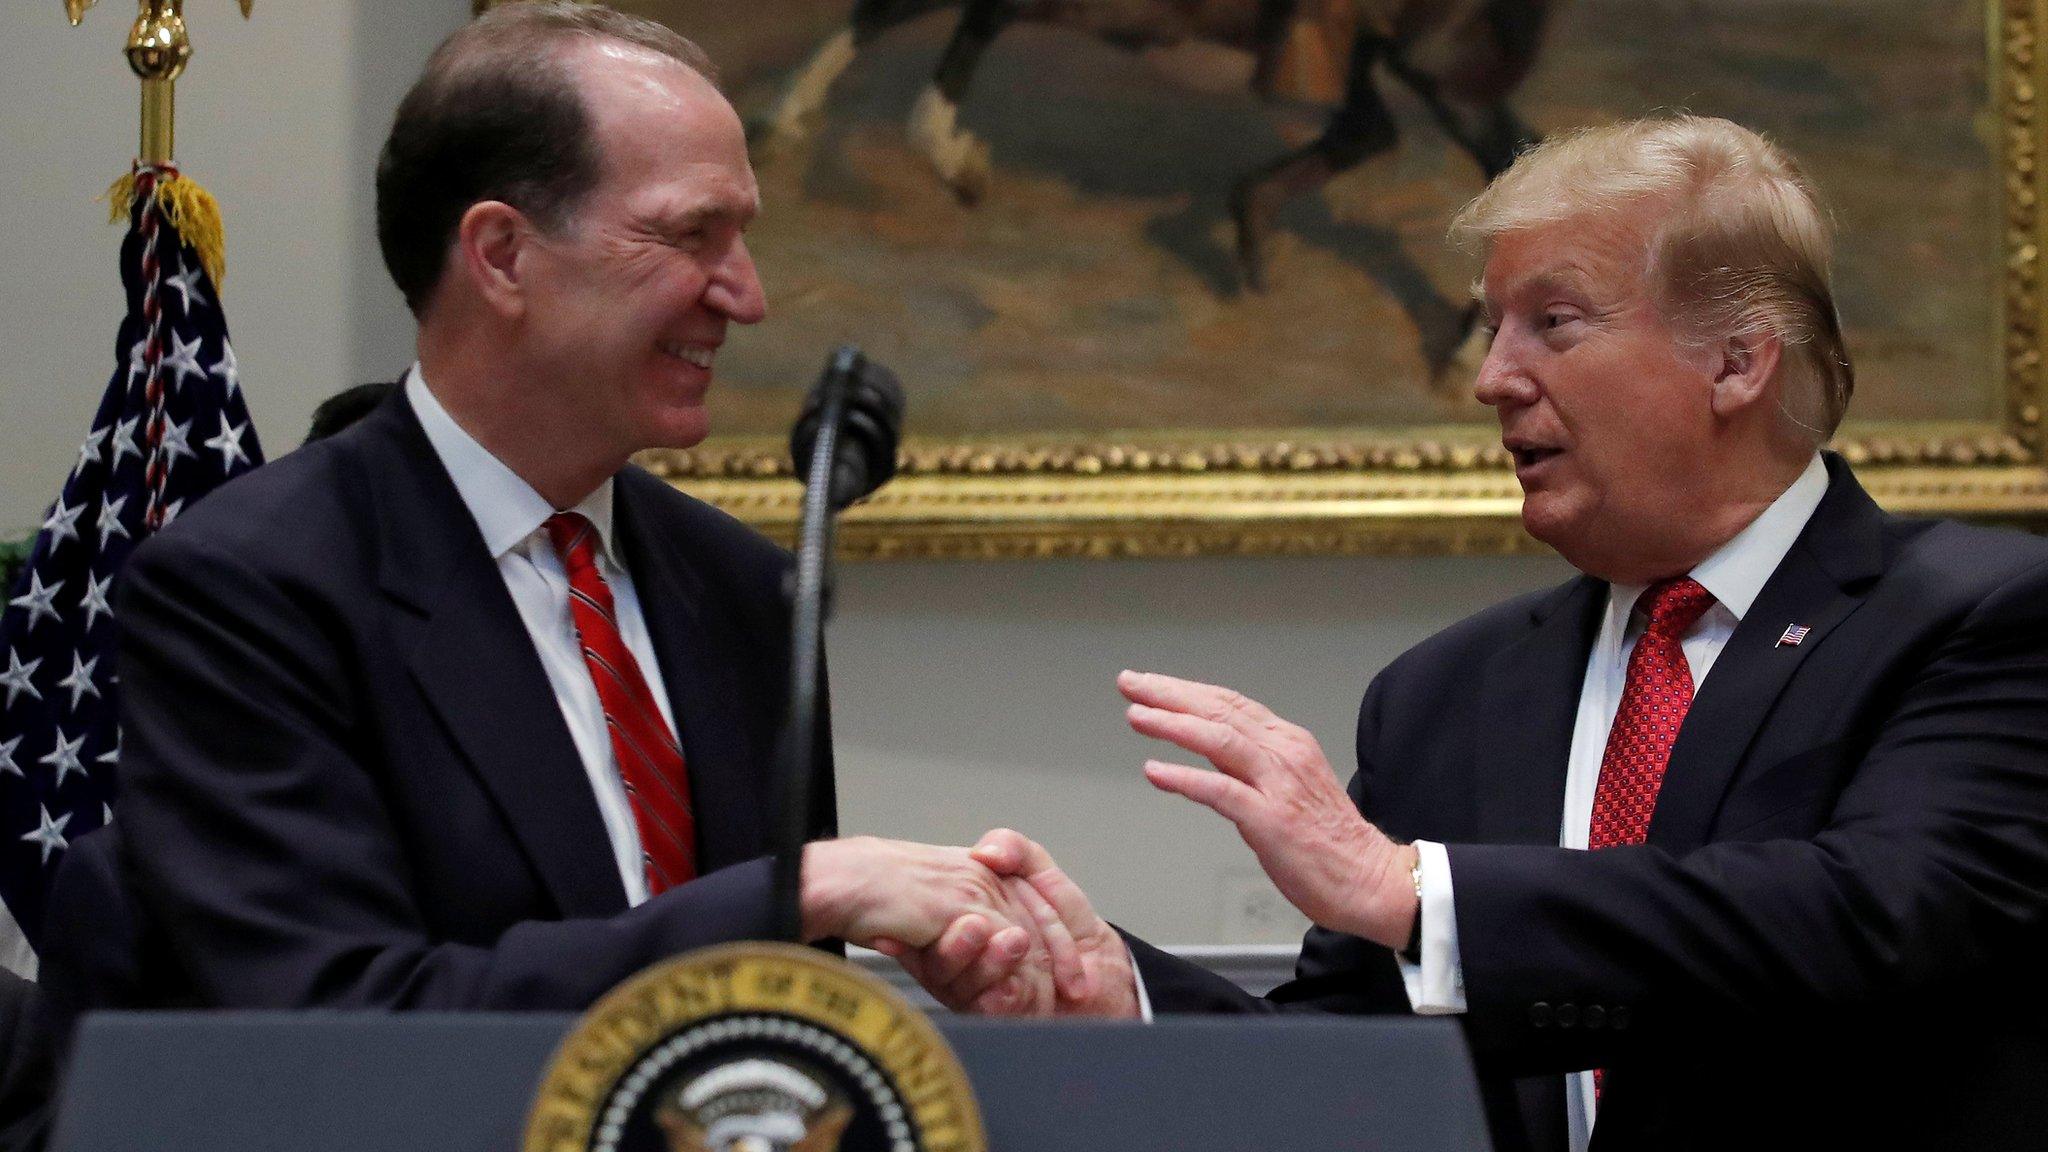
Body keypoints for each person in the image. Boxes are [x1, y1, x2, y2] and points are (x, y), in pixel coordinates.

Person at [919, 116, 2048, 1151]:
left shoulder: (1977, 616)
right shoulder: (1444, 693)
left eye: (1550, 324)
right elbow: (1359, 1066)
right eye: (1488, 329)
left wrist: (1416, 893)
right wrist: (1120, 1001)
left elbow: (1875, 920)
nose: (1488, 380)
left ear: (1735, 361)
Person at [62, 3, 1077, 1015]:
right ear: (502, 254)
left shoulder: (741, 586)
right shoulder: (252, 586)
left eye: (741, 239)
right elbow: (337, 1018)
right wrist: (790, 894)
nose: (745, 295)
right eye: (692, 234)